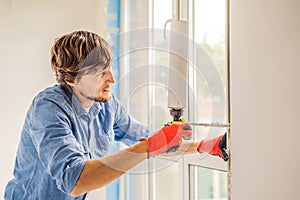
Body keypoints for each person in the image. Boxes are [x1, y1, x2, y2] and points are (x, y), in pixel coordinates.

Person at [4, 30, 227, 200]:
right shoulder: (48, 109)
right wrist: (148, 146)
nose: (111, 79)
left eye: (110, 68)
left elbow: (151, 140)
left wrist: (203, 146)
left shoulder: (105, 104)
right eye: (101, 73)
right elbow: (76, 181)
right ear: (72, 79)